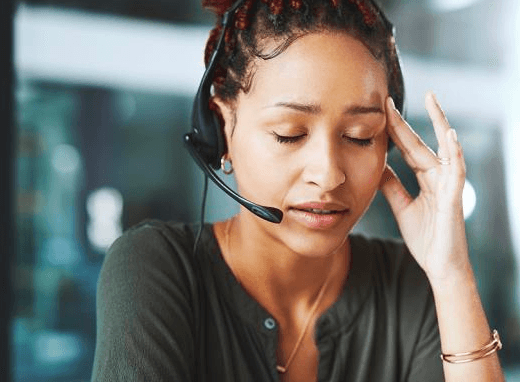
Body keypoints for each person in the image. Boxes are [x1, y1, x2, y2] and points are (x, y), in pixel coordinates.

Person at [91, 0, 506, 381]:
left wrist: (451, 275)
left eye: (361, 136)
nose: (328, 176)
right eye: (288, 134)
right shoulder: (156, 268)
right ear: (221, 130)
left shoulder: (411, 283)